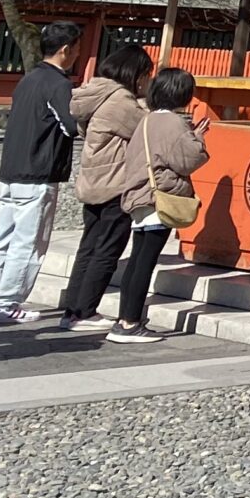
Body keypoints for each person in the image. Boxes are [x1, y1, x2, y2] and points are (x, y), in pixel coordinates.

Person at [0, 20, 86, 325]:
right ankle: (7, 301)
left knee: (2, 238)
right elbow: (70, 126)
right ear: (67, 49)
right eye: (77, 48)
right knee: (28, 243)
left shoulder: (27, 79)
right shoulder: (58, 84)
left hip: (11, 171)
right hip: (37, 173)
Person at [103, 66, 209, 346]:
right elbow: (189, 160)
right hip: (159, 197)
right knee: (144, 263)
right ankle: (130, 322)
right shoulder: (173, 124)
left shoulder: (147, 120)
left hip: (139, 195)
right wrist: (198, 137)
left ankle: (125, 318)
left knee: (138, 260)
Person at [53, 45, 155, 333]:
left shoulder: (94, 93)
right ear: (135, 74)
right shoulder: (120, 100)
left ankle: (72, 311)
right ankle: (85, 310)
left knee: (89, 247)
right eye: (146, 74)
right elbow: (147, 130)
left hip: (93, 180)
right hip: (114, 183)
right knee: (107, 250)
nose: (147, 80)